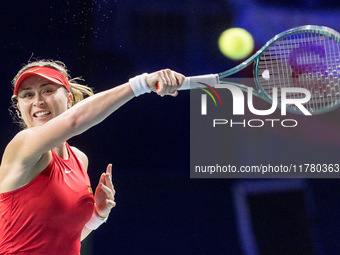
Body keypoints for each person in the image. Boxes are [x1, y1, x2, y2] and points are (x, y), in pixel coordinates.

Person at [0, 59, 185, 254]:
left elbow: (65, 237)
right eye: (28, 95)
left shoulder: (79, 159)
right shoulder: (22, 145)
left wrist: (98, 215)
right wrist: (143, 83)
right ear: (19, 108)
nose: (38, 101)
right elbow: (74, 120)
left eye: (48, 90)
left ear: (69, 99)